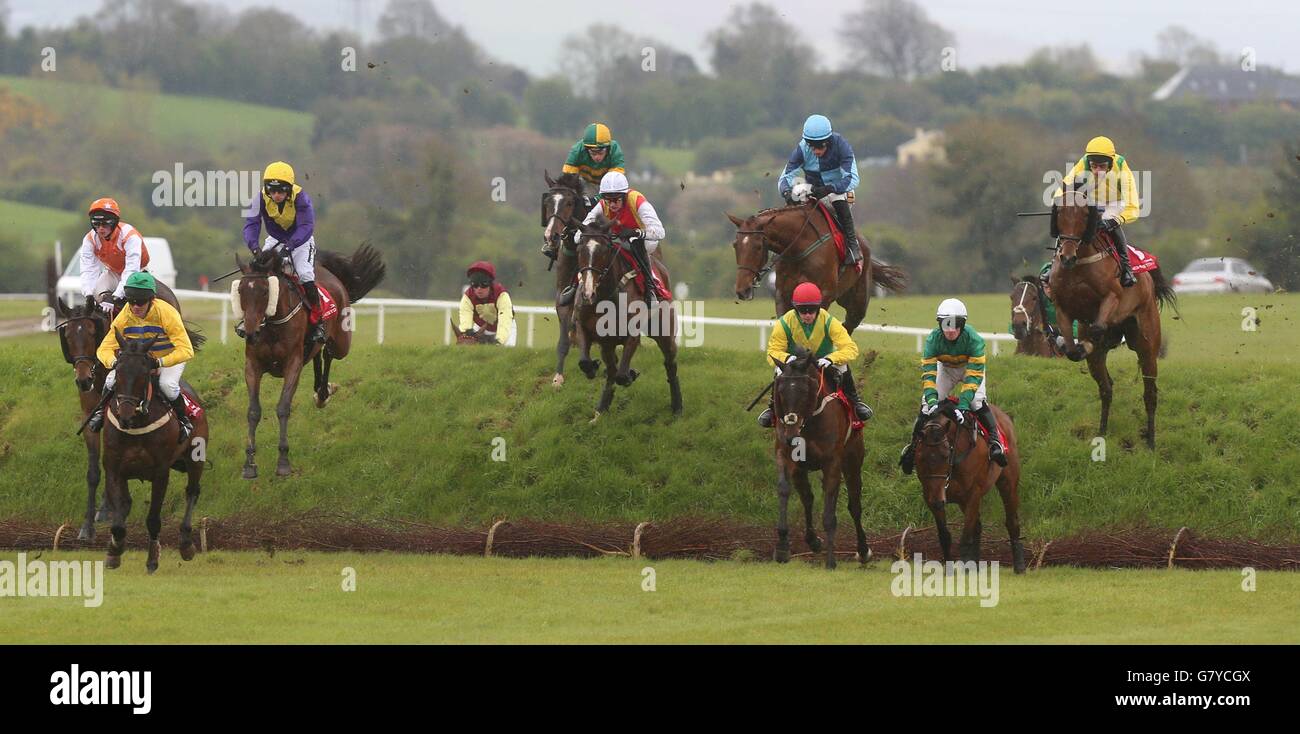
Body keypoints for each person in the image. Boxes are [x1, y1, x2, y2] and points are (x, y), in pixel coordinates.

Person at [900, 298, 1006, 473]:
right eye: (946, 325)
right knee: (927, 406)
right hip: (946, 369)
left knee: (976, 402)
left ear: (963, 324)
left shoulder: (975, 340)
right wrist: (932, 399)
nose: (950, 330)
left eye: (955, 325)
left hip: (970, 369)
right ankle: (912, 448)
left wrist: (963, 406)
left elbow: (973, 377)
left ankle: (996, 442)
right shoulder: (933, 340)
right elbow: (928, 373)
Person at [86, 272, 194, 443]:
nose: (135, 307)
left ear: (152, 299)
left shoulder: (167, 313)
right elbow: (104, 349)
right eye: (131, 301)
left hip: (168, 357)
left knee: (167, 385)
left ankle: (184, 420)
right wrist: (114, 363)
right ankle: (100, 412)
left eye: (141, 301)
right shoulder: (125, 315)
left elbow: (186, 350)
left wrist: (160, 362)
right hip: (139, 361)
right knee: (110, 380)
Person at [758, 282, 872, 428]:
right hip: (795, 364)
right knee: (779, 370)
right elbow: (773, 351)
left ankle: (855, 403)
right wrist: (786, 358)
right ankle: (772, 408)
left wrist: (831, 359)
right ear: (795, 308)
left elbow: (850, 348)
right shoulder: (785, 322)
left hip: (823, 361)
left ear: (818, 308)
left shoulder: (829, 321)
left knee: (843, 365)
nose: (807, 315)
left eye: (811, 311)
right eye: (802, 311)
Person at [243, 161, 326, 343]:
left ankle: (318, 319)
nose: (276, 195)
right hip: (275, 239)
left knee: (304, 273)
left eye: (281, 191)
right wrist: (255, 248)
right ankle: (250, 319)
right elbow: (251, 224)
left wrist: (289, 247)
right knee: (259, 274)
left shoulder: (301, 198)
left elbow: (306, 226)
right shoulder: (260, 198)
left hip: (301, 240)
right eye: (272, 191)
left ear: (289, 189)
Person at [777, 114, 862, 270]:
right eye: (811, 145)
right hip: (814, 191)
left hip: (839, 193)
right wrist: (787, 193)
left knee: (834, 195)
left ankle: (852, 245)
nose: (815, 151)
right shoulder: (802, 149)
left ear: (828, 141)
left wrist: (830, 188)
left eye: (820, 146)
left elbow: (853, 179)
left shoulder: (841, 145)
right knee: (796, 188)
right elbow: (785, 178)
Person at [1054, 135, 1141, 287]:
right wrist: (1064, 206)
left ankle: (1127, 269)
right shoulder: (1083, 163)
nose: (1097, 171)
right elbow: (1062, 189)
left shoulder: (1121, 166)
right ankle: (1055, 263)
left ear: (1111, 163)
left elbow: (1133, 207)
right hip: (1092, 201)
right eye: (1094, 166)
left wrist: (1115, 221)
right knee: (1071, 220)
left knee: (1108, 217)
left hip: (1116, 202)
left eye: (1102, 167)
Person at [576, 171, 665, 305]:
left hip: (646, 240)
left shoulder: (637, 200)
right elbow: (578, 235)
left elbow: (660, 232)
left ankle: (650, 288)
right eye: (608, 199)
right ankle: (576, 285)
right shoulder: (602, 204)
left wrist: (636, 232)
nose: (611, 205)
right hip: (619, 238)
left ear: (624, 196)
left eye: (616, 199)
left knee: (635, 243)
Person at [79, 198, 151, 314]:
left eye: (105, 223)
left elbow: (131, 270)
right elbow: (88, 270)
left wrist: (115, 297)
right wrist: (88, 295)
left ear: (115, 222)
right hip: (113, 272)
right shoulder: (89, 239)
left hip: (139, 273)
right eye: (96, 224)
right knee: (97, 294)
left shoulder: (130, 236)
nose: (101, 228)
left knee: (136, 296)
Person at [561, 122, 627, 199]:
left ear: (608, 148)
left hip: (608, 185)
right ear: (586, 149)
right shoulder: (576, 151)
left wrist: (598, 199)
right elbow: (568, 179)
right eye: (593, 152)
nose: (597, 157)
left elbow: (615, 182)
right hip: (585, 183)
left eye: (601, 152)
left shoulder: (615, 150)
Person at [458, 261, 515, 346]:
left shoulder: (501, 295)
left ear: (490, 283)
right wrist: (466, 333)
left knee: (505, 355)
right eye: (475, 285)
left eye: (484, 284)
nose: (479, 289)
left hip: (506, 327)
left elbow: (505, 320)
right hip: (480, 328)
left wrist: (499, 341)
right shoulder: (467, 297)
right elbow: (465, 319)